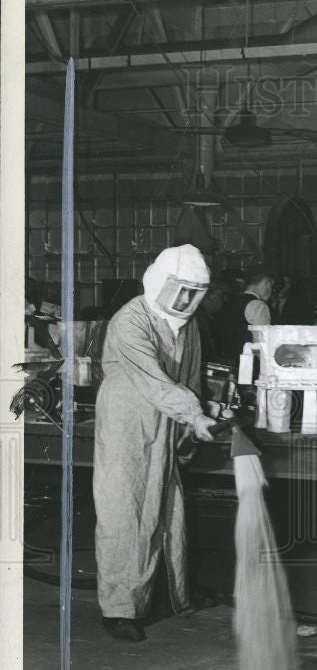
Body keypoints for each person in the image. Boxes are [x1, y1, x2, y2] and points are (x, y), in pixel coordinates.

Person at [93, 245, 218, 642]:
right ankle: (119, 610)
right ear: (159, 281)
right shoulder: (130, 320)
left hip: (168, 421)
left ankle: (172, 593)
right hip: (127, 424)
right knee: (124, 511)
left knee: (168, 507)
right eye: (180, 290)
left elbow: (191, 374)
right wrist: (192, 413)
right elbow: (153, 379)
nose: (185, 301)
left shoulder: (189, 324)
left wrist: (193, 419)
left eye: (194, 293)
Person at [220, 266, 274, 365]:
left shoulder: (230, 302)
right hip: (249, 367)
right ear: (265, 283)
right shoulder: (258, 305)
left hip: (230, 363)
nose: (271, 291)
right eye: (271, 286)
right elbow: (261, 343)